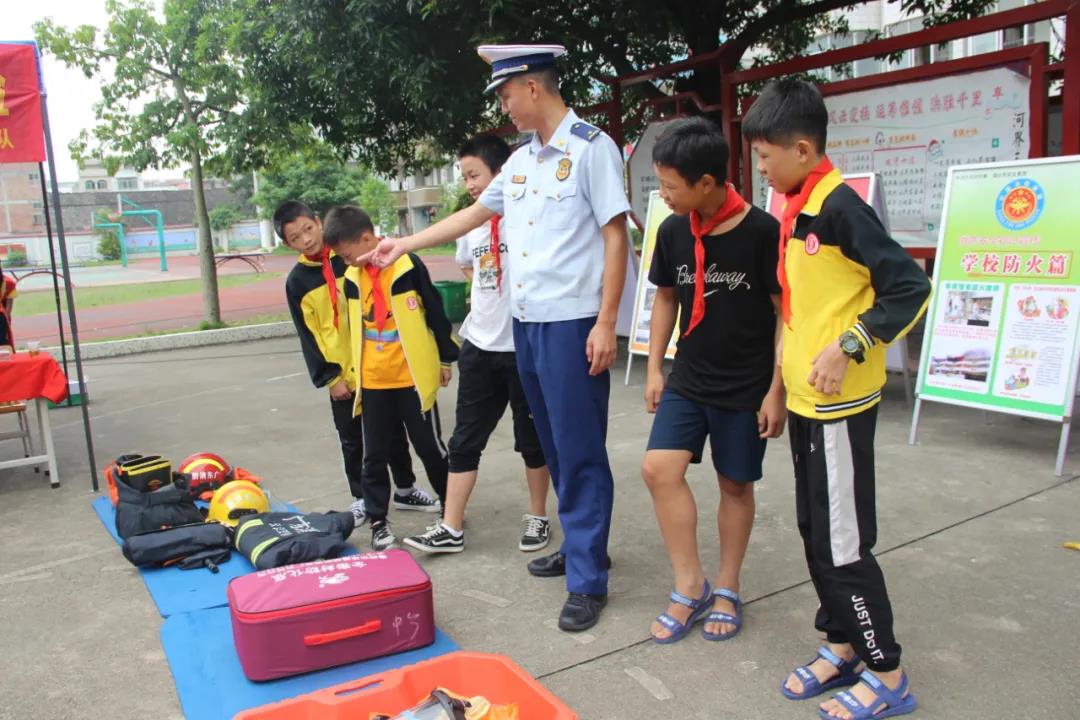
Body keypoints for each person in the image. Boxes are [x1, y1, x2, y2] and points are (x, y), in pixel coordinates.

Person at [369, 44, 630, 632]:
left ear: (534, 87)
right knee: (555, 447)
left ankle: (588, 578)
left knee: (580, 449)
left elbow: (616, 236)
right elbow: (472, 216)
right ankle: (581, 545)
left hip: (573, 323)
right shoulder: (519, 161)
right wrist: (403, 244)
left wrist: (606, 322)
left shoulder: (591, 148)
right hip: (527, 324)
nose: (504, 107)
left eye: (507, 95)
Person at [742, 78, 931, 720]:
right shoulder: (797, 208)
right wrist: (778, 388)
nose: (760, 169)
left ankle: (887, 671)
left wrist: (851, 344)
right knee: (816, 532)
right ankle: (843, 645)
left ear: (802, 150)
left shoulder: (841, 208)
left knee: (843, 542)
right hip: (804, 404)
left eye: (765, 156)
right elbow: (798, 313)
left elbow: (909, 288)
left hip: (840, 409)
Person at [641, 117, 785, 645]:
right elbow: (666, 297)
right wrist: (654, 367)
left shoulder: (763, 232)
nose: (664, 196)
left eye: (670, 186)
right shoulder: (673, 230)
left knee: (735, 484)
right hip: (689, 376)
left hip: (746, 383)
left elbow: (784, 313)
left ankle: (727, 586)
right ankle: (690, 584)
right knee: (658, 469)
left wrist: (776, 389)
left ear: (707, 183)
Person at [404, 134, 552, 556]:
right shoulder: (470, 226)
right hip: (480, 347)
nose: (469, 184)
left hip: (523, 348)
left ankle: (538, 516)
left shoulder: (527, 218)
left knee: (532, 439)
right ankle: (451, 526)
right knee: (465, 439)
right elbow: (470, 268)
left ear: (501, 173)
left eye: (475, 175)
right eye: (465, 176)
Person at [275, 201, 438, 525]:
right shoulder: (297, 282)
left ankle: (405, 488)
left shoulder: (350, 258)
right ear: (288, 244)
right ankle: (361, 496)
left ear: (319, 222)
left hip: (374, 364)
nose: (306, 239)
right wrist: (329, 377)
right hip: (341, 373)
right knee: (352, 439)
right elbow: (307, 335)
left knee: (393, 433)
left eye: (308, 229)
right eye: (295, 238)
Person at [321, 205, 459, 551]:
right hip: (373, 382)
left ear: (367, 238)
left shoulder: (407, 265)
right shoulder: (352, 279)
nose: (345, 261)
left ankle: (451, 510)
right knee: (374, 456)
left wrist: (445, 357)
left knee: (430, 447)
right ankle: (378, 522)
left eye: (347, 254)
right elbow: (349, 329)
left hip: (412, 380)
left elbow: (435, 311)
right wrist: (346, 373)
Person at [0, 258, 17, 348]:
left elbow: (8, 307)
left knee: (3, 343)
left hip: (2, 316)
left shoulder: (9, 283)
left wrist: (5, 322)